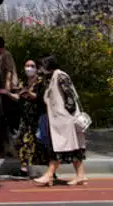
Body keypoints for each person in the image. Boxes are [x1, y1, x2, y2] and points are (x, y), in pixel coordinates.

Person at [33, 55, 88, 187]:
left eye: (41, 65)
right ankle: (80, 175)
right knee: (73, 148)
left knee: (58, 148)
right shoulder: (51, 78)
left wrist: (66, 115)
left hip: (65, 121)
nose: (39, 69)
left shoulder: (61, 76)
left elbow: (70, 96)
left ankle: (49, 175)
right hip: (59, 121)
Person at [10, 60, 49, 178]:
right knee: (21, 141)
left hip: (37, 117)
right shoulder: (23, 82)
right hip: (24, 117)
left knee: (38, 142)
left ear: (36, 68)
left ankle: (48, 170)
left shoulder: (41, 82)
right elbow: (19, 98)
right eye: (27, 66)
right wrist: (8, 93)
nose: (29, 68)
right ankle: (23, 168)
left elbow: (41, 97)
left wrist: (28, 92)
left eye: (32, 66)